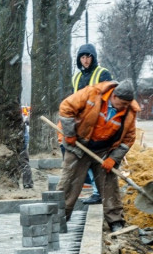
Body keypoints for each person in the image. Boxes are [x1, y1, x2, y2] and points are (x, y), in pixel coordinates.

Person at [57, 79, 139, 232]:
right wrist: (69, 133)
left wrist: (113, 158)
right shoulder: (92, 94)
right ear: (114, 96)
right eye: (122, 104)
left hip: (104, 150)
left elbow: (128, 139)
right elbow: (66, 107)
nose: (124, 107)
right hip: (78, 145)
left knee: (109, 184)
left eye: (127, 104)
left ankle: (115, 220)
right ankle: (59, 218)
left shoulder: (129, 111)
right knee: (70, 182)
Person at [71, 43, 113, 206]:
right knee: (87, 157)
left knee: (100, 158)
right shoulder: (76, 77)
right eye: (82, 57)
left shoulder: (103, 74)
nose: (85, 60)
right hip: (83, 123)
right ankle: (98, 191)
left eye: (88, 57)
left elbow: (108, 98)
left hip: (99, 122)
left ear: (93, 57)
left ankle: (103, 192)